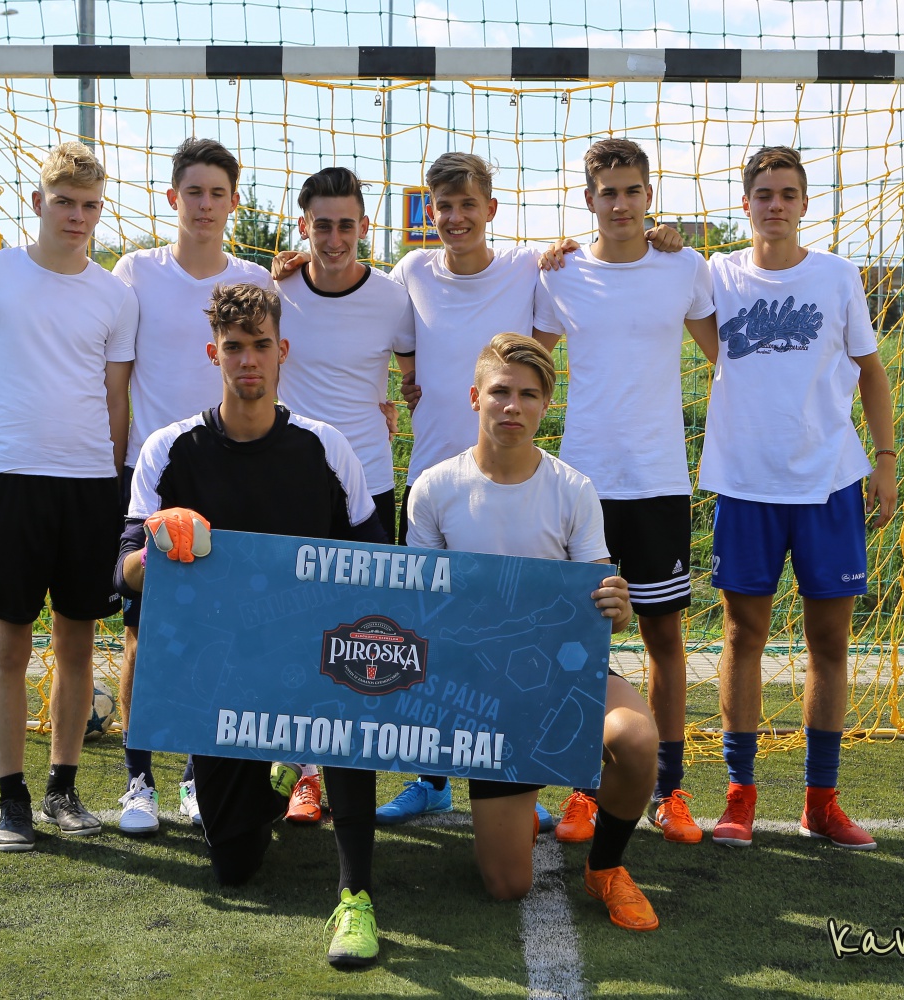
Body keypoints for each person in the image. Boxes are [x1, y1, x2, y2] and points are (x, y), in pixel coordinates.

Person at [286, 151, 680, 827]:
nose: (456, 217)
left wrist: (661, 235)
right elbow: (391, 338)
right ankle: (433, 779)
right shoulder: (411, 272)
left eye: (468, 204)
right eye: (443, 206)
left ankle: (531, 778)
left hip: (508, 481)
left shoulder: (530, 266)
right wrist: (303, 270)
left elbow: (587, 265)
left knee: (516, 637)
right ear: (429, 212)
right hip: (434, 482)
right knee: (430, 637)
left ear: (491, 209)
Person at [0, 138, 275, 837]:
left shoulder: (259, 278)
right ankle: (137, 780)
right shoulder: (133, 272)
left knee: (222, 634)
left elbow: (279, 352)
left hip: (229, 470)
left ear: (234, 201)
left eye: (218, 193)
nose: (205, 205)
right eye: (193, 192)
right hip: (145, 473)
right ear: (173, 198)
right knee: (140, 636)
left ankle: (199, 777)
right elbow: (76, 346)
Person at [115, 282, 389, 967]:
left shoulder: (326, 447)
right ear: (214, 354)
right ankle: (275, 779)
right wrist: (159, 549)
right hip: (224, 679)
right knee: (234, 865)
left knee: (354, 684)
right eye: (234, 347)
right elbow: (122, 574)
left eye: (261, 346)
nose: (248, 360)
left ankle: (356, 892)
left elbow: (377, 563)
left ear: (282, 351)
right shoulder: (169, 449)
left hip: (317, 663)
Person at [408, 333, 661, 931]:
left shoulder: (573, 489)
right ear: (475, 397)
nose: (512, 406)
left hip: (563, 671)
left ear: (547, 405)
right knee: (507, 886)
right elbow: (418, 607)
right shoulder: (435, 488)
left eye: (528, 395)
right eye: (500, 392)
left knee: (634, 738)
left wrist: (619, 607)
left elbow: (602, 602)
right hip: (481, 691)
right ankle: (515, 802)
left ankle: (606, 866)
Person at [0, 141, 138, 852]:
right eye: (65, 202)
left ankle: (62, 788)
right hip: (13, 480)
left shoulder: (115, 294)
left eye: (90, 206)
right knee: (9, 644)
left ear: (100, 210)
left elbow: (116, 398)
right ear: (38, 201)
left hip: (90, 488)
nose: (77, 216)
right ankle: (11, 800)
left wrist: (117, 483)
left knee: (77, 643)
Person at [693, 145, 897, 851]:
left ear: (805, 204)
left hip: (829, 483)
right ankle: (739, 797)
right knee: (742, 637)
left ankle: (821, 802)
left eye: (787, 193)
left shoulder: (838, 276)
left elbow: (871, 372)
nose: (775, 204)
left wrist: (886, 462)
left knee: (829, 643)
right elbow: (653, 272)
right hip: (745, 484)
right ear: (745, 203)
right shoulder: (716, 274)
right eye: (763, 194)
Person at [532, 138, 718, 846]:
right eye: (607, 193)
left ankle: (671, 789)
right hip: (584, 483)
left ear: (648, 196)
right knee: (584, 638)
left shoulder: (683, 267)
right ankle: (585, 787)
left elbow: (725, 356)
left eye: (631, 191)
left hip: (659, 480)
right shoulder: (560, 274)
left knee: (663, 635)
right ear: (589, 200)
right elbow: (528, 364)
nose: (620, 204)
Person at [266, 166, 416, 825]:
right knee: (296, 632)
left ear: (364, 227)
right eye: (321, 226)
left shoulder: (392, 298)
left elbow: (413, 373)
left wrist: (394, 403)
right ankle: (303, 776)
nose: (333, 239)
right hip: (293, 485)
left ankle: (350, 771)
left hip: (369, 486)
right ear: (303, 227)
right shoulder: (275, 289)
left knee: (361, 639)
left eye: (346, 226)